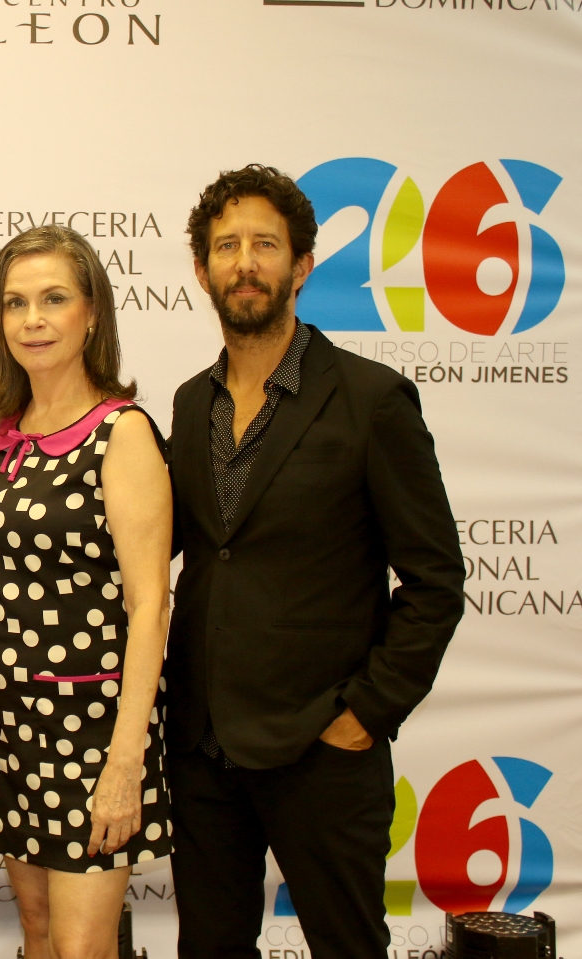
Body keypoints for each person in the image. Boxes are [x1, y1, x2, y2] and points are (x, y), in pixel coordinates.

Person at [166, 165, 466, 959]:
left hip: (320, 749)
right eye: (225, 246)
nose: (244, 263)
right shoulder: (190, 402)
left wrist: (365, 712)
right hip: (202, 748)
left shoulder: (371, 400)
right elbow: (170, 543)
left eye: (264, 244)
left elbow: (435, 581)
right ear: (201, 271)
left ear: (301, 264)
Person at [0, 226, 172, 959]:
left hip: (90, 731)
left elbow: (150, 604)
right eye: (14, 303)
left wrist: (124, 761)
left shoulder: (121, 432)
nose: (32, 319)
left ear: (91, 314)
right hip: (8, 723)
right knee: (38, 933)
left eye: (52, 299)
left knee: (81, 947)